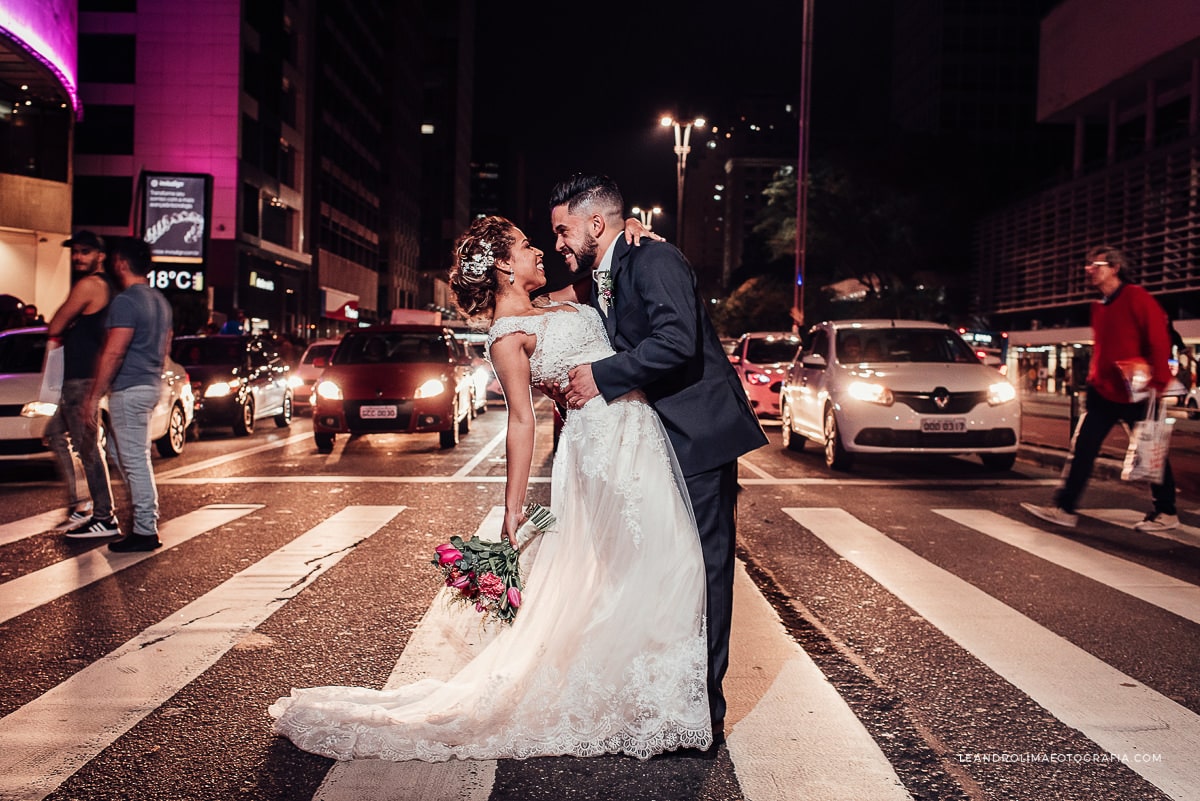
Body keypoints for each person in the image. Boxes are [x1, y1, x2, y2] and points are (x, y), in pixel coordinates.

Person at [270, 216, 712, 761]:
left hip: (638, 431)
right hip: (597, 449)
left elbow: (611, 269)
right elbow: (521, 421)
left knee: (670, 560)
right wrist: (512, 507)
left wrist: (634, 229)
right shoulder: (506, 336)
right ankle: (646, 701)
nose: (539, 252)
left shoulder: (561, 296)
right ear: (504, 264)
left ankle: (650, 695)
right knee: (651, 563)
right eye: (528, 246)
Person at [549, 174, 767, 751]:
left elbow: (677, 342)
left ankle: (705, 716)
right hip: (654, 441)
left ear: (596, 222)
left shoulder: (654, 259)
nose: (558, 244)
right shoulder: (615, 267)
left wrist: (601, 376)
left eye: (563, 230)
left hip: (696, 435)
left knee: (707, 569)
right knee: (669, 569)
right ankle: (673, 702)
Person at [1022, 246, 1179, 532]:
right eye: (1088, 266)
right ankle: (1064, 507)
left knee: (1150, 448)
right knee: (1083, 449)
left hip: (1136, 392)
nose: (1089, 270)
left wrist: (1159, 381)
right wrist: (1094, 380)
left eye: (1096, 265)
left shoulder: (1136, 297)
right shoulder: (1100, 306)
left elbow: (1158, 338)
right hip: (1104, 392)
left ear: (1114, 267)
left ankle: (1166, 511)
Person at [83, 237, 173, 552]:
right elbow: (165, 348)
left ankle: (145, 529)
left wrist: (93, 396)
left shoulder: (126, 301)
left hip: (130, 388)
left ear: (121, 262)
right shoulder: (160, 301)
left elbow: (114, 352)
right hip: (149, 384)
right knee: (123, 454)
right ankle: (143, 524)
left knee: (134, 460)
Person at [46, 230, 119, 536]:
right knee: (55, 435)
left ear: (100, 256)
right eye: (75, 252)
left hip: (81, 380)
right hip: (82, 379)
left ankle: (103, 515)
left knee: (88, 448)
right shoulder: (110, 288)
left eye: (85, 252)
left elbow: (57, 321)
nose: (77, 257)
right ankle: (81, 504)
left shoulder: (90, 284)